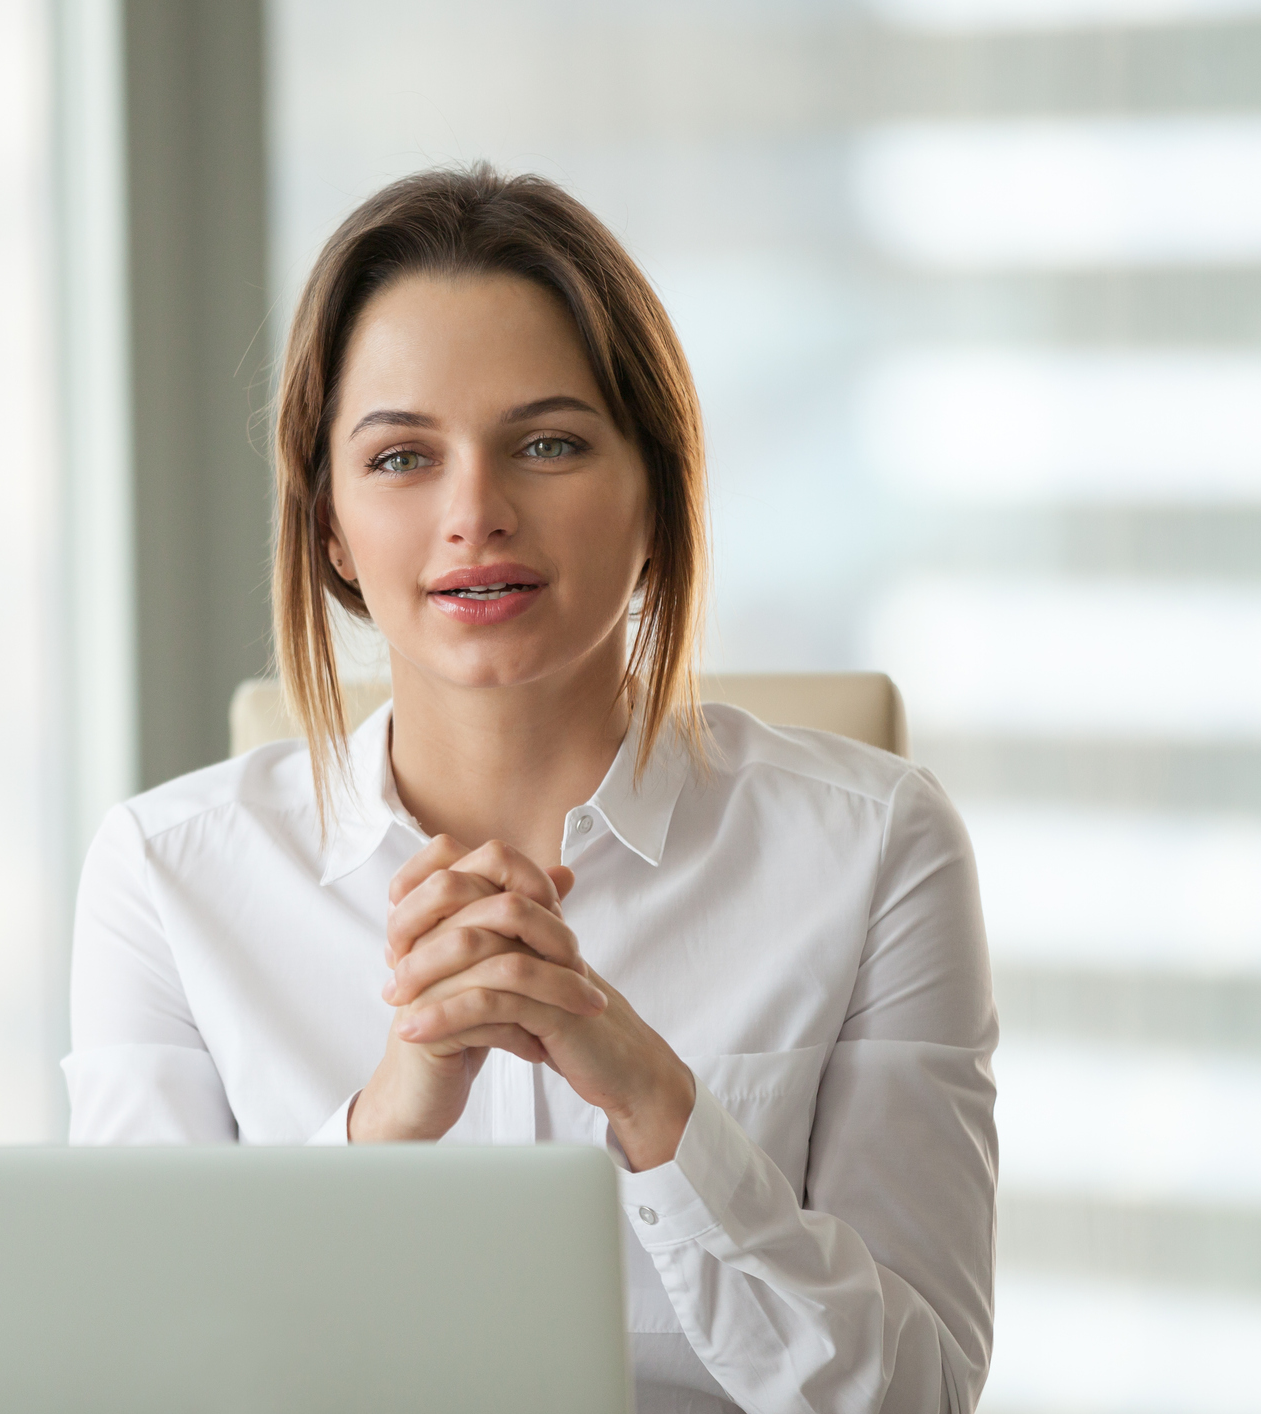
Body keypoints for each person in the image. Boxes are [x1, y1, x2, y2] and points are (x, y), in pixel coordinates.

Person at [62, 165, 997, 1414]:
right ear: (330, 526)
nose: (475, 513)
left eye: (547, 443)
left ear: (656, 492)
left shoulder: (877, 848)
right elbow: (130, 1381)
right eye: (400, 457)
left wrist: (659, 1107)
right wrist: (388, 1127)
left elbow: (916, 1393)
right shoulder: (165, 876)